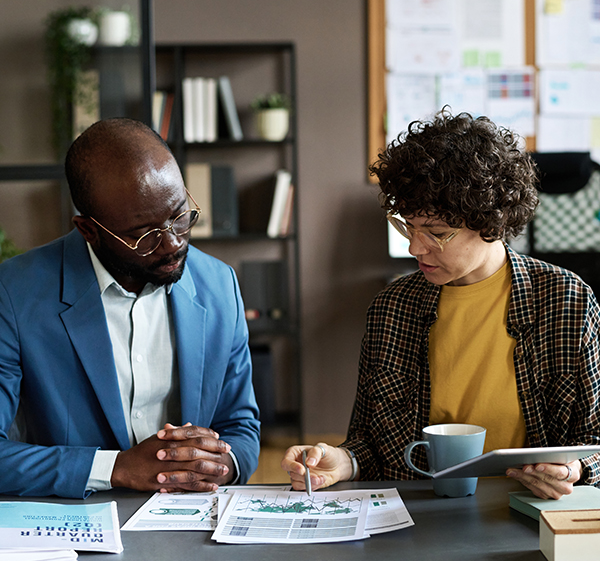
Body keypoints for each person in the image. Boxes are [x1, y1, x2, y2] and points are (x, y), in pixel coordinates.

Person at [283, 109, 600, 500]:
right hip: (421, 514)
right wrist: (343, 461)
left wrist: (573, 469)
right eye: (407, 227)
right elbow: (369, 444)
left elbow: (594, 442)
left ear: (493, 223)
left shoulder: (565, 300)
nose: (415, 248)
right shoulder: (392, 309)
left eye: (437, 233)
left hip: (529, 511)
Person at [0, 118, 260, 498]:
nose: (172, 243)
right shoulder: (14, 293)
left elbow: (240, 425)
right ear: (89, 230)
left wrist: (220, 463)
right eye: (143, 235)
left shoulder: (219, 285)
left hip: (190, 525)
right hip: (73, 530)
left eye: (179, 215)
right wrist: (116, 467)